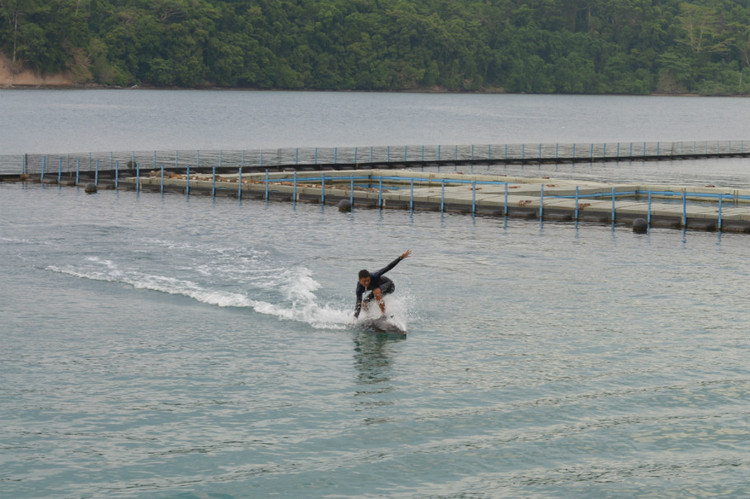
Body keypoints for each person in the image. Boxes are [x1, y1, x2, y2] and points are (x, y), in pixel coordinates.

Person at [354, 249, 411, 319]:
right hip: (378, 288)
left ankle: (384, 315)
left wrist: (400, 257)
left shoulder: (374, 276)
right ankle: (369, 316)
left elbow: (388, 267)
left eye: (368, 280)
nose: (367, 283)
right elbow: (358, 304)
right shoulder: (359, 289)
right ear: (359, 280)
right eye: (364, 281)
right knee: (364, 303)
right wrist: (355, 319)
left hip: (389, 285)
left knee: (376, 292)